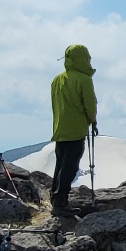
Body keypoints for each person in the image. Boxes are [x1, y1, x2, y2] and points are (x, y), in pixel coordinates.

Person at [49, 44, 99, 212]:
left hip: (60, 127)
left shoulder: (57, 80)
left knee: (60, 164)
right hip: (76, 129)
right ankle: (61, 202)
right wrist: (92, 120)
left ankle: (55, 197)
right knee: (70, 167)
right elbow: (90, 105)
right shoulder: (84, 79)